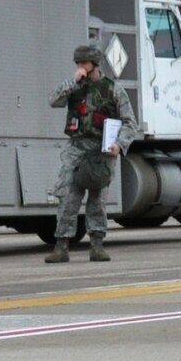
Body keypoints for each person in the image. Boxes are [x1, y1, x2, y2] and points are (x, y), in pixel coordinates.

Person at [46, 44, 135, 263]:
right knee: (68, 196)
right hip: (76, 148)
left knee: (97, 199)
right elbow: (53, 100)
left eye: (84, 63)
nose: (80, 67)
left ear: (95, 64)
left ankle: (97, 245)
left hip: (101, 150)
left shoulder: (113, 89)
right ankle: (61, 245)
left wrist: (119, 144)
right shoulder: (74, 87)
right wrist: (72, 82)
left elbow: (130, 123)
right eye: (77, 63)